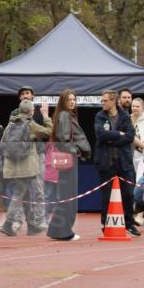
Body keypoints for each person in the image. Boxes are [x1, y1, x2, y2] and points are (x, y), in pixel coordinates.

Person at [0, 100, 51, 236]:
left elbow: (3, 142)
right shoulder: (30, 124)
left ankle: (31, 225)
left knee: (25, 193)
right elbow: (49, 132)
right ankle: (8, 223)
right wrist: (46, 117)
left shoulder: (10, 124)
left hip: (12, 164)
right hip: (26, 166)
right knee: (19, 193)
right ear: (31, 111)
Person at [46, 90, 90, 242]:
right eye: (69, 99)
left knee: (65, 195)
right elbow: (64, 139)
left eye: (74, 99)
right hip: (69, 159)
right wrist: (76, 151)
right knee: (69, 197)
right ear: (63, 101)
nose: (72, 102)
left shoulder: (64, 115)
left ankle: (56, 230)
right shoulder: (65, 115)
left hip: (66, 160)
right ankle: (64, 232)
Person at [94, 90, 138, 237]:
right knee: (106, 196)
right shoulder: (100, 116)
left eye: (105, 100)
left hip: (124, 161)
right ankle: (106, 224)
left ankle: (129, 223)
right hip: (106, 162)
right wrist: (119, 134)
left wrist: (111, 139)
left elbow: (131, 136)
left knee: (129, 194)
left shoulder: (125, 115)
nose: (103, 103)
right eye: (102, 101)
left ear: (113, 101)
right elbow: (100, 135)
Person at [131, 97, 144, 180]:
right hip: (132, 154)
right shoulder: (128, 120)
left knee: (140, 178)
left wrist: (143, 140)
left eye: (137, 106)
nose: (135, 108)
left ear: (143, 108)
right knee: (134, 178)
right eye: (133, 106)